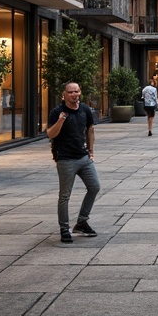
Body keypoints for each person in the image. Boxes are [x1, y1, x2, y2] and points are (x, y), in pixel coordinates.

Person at [47, 82, 100, 243]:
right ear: (64, 94)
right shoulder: (57, 112)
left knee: (94, 187)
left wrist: (91, 151)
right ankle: (64, 228)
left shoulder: (84, 109)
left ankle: (82, 221)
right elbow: (50, 134)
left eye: (76, 91)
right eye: (70, 92)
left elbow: (90, 129)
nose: (74, 94)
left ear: (80, 92)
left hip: (83, 158)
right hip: (65, 159)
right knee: (64, 196)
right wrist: (61, 121)